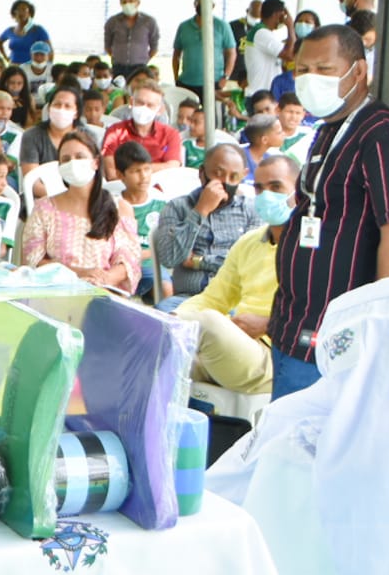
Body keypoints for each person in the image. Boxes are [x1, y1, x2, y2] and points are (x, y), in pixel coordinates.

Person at [270, 24, 389, 399]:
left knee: (310, 451)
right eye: (303, 70)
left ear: (358, 71)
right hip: (296, 325)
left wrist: (379, 327)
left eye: (324, 69)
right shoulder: (329, 129)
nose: (310, 80)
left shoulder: (382, 135)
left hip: (336, 341)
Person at [171, 154, 301, 395]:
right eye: (259, 188)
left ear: (299, 190)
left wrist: (269, 325)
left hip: (277, 358)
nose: (266, 196)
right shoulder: (249, 242)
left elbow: (321, 315)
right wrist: (172, 318)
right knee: (155, 361)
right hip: (236, 348)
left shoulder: (314, 246)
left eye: (276, 187)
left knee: (208, 322)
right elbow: (213, 298)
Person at [21, 131, 139, 294]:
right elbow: (32, 261)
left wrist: (104, 278)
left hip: (104, 295)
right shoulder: (44, 209)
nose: (73, 163)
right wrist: (79, 274)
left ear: (96, 162)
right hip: (56, 295)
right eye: (66, 159)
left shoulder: (118, 208)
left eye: (80, 156)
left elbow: (128, 259)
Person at [151, 143, 258, 309]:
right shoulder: (177, 207)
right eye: (218, 174)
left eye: (233, 177)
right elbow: (169, 258)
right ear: (202, 173)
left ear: (243, 176)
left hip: (234, 300)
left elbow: (248, 264)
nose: (225, 182)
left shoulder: (251, 211)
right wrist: (200, 211)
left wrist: (198, 261)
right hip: (188, 299)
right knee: (161, 317)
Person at [115, 140, 165, 299]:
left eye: (147, 169)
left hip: (151, 266)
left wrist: (146, 254)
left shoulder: (160, 203)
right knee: (116, 294)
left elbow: (166, 242)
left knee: (165, 288)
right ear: (120, 175)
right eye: (136, 171)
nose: (143, 176)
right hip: (121, 266)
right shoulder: (113, 205)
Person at [100, 81, 181, 179]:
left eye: (150, 105)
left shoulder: (170, 134)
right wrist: (157, 168)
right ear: (131, 102)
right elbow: (111, 174)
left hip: (160, 191)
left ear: (160, 110)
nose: (144, 108)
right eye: (140, 102)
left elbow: (172, 168)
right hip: (121, 190)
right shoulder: (114, 132)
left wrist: (130, 170)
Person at [19, 84, 82, 200]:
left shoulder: (87, 137)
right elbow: (33, 183)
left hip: (80, 199)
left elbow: (93, 176)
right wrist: (63, 199)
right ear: (49, 108)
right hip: (42, 200)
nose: (61, 109)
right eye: (57, 105)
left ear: (76, 113)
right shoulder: (32, 136)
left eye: (67, 106)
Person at [171, 0, 237, 95]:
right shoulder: (184, 26)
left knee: (212, 111)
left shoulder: (222, 26)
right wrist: (176, 78)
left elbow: (231, 53)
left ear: (213, 6)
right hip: (186, 83)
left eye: (206, 3)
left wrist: (225, 77)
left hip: (214, 83)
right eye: (199, 2)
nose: (202, 5)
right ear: (194, 4)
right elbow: (176, 54)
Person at [103, 0, 159, 78]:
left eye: (131, 1)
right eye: (124, 2)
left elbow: (154, 46)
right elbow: (107, 45)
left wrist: (145, 60)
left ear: (138, 3)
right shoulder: (113, 21)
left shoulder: (149, 21)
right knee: (119, 90)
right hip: (118, 66)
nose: (127, 4)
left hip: (140, 66)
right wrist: (117, 57)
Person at [243, 0, 295, 95]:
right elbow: (289, 55)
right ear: (277, 14)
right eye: (283, 15)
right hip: (261, 93)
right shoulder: (262, 33)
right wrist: (290, 26)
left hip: (265, 92)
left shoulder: (263, 32)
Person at [0, 0, 50, 66]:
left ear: (30, 13)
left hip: (31, 69)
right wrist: (6, 58)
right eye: (18, 10)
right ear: (14, 13)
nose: (21, 12)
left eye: (24, 9)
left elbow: (50, 51)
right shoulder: (10, 30)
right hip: (13, 67)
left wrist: (46, 69)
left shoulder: (38, 30)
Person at [228, 0, 265, 89]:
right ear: (247, 11)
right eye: (254, 16)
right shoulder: (233, 26)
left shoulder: (264, 30)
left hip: (253, 78)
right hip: (233, 77)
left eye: (259, 17)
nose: (256, 19)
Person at [241, 113, 285, 184]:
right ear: (264, 140)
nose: (284, 134)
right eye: (279, 132)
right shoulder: (238, 157)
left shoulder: (270, 159)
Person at [277, 91, 315, 163]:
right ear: (278, 110)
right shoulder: (269, 134)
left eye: (298, 113)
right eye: (290, 112)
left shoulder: (308, 134)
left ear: (303, 114)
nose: (293, 117)